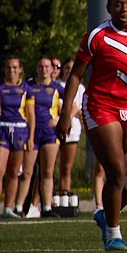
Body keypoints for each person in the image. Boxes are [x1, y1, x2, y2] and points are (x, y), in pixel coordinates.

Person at [56, 0, 127, 252]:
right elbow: (76, 76)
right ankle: (113, 234)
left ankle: (105, 215)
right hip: (100, 107)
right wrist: (65, 113)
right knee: (117, 171)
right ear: (109, 8)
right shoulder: (97, 36)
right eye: (118, 4)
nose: (124, 9)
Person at [0, 56, 35, 220]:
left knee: (14, 172)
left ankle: (8, 208)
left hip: (20, 131)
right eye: (8, 67)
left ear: (20, 69)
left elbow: (31, 115)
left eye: (14, 67)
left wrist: (31, 137)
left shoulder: (27, 88)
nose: (11, 70)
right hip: (1, 129)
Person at [17, 56, 63, 218]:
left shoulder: (57, 88)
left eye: (47, 67)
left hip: (50, 134)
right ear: (37, 69)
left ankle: (47, 207)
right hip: (31, 133)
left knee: (47, 172)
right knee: (27, 172)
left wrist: (60, 119)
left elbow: (73, 105)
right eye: (41, 66)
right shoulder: (28, 85)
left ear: (52, 70)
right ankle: (19, 207)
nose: (44, 70)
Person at [56, 57, 86, 204]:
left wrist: (67, 116)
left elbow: (79, 108)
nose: (69, 71)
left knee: (67, 166)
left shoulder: (80, 88)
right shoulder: (58, 85)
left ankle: (65, 196)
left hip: (73, 130)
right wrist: (68, 112)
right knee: (51, 167)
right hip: (55, 128)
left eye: (72, 68)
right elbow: (59, 106)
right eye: (67, 68)